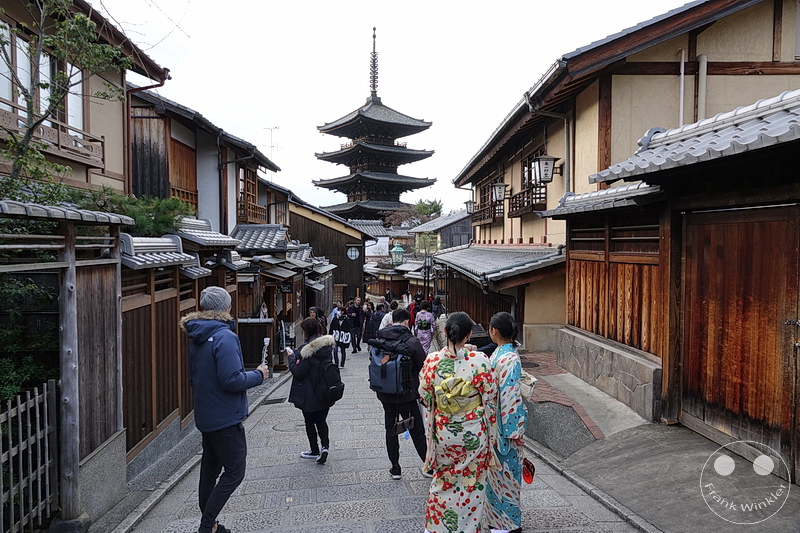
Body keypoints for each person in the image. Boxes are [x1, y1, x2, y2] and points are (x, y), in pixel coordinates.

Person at [181, 286, 269, 533]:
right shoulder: (224, 336)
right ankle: (207, 526)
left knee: (210, 469)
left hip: (207, 413)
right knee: (235, 471)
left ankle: (213, 525)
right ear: (227, 308)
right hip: (225, 417)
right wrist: (258, 375)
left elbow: (194, 377)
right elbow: (232, 380)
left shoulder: (198, 334)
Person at [419, 311, 498, 533]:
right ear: (470, 335)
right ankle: (469, 528)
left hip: (445, 432)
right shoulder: (480, 360)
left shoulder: (432, 360)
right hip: (473, 432)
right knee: (472, 481)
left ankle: (437, 528)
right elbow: (490, 394)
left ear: (445, 332)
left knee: (444, 478)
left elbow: (424, 394)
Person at [372, 308, 428, 480]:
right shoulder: (411, 342)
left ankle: (395, 468)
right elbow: (423, 365)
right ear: (406, 322)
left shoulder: (379, 338)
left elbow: (379, 362)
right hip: (407, 393)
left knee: (391, 429)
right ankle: (428, 466)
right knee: (416, 429)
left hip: (385, 393)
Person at [485, 312, 527, 533]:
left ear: (494, 331)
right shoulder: (505, 354)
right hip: (498, 425)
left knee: (507, 477)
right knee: (498, 476)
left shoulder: (507, 358)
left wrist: (513, 432)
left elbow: (510, 397)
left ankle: (509, 524)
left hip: (503, 429)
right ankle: (497, 520)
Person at [288, 318, 336, 464]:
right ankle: (325, 446)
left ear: (307, 331)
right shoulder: (326, 347)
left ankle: (314, 450)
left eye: (303, 330)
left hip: (309, 393)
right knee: (321, 420)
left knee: (310, 421)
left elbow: (298, 371)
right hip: (325, 390)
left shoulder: (307, 350)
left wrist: (291, 357)